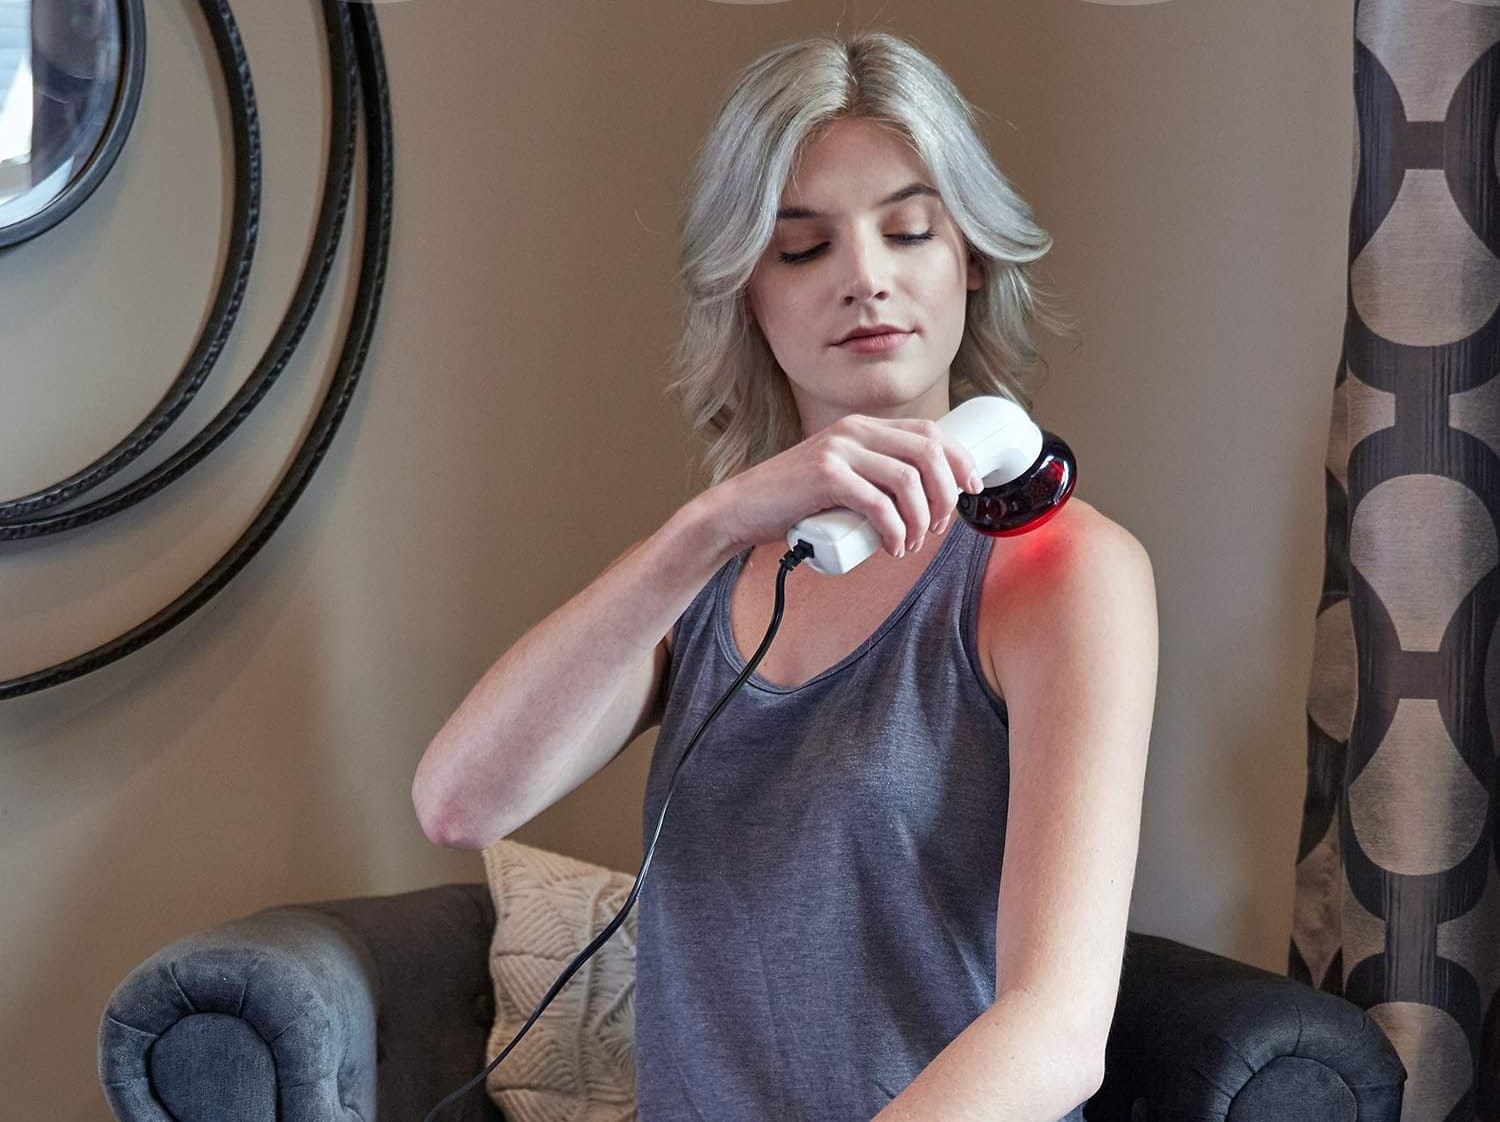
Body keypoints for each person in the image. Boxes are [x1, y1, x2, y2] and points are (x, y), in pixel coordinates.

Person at [413, 29, 1158, 1122]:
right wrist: (708, 526)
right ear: (747, 296)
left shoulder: (1067, 573)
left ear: (970, 257)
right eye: (803, 249)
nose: (866, 278)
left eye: (910, 230)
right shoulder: (709, 576)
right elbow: (458, 803)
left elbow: (1057, 1032)